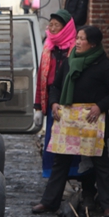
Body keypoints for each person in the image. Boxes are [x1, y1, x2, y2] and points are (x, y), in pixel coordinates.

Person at [32, 26, 109, 217]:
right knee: (61, 162)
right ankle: (49, 202)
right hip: (68, 121)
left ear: (92, 44)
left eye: (82, 39)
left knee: (100, 162)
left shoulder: (104, 66)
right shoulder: (69, 62)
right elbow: (56, 87)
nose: (77, 42)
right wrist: (55, 103)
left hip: (92, 122)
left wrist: (100, 106)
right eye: (77, 38)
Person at [35, 10, 77, 178]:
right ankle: (51, 175)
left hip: (72, 101)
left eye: (56, 25)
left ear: (66, 27)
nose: (52, 28)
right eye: (50, 24)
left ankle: (72, 174)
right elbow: (41, 77)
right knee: (52, 140)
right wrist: (38, 106)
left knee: (71, 140)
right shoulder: (48, 47)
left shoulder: (75, 49)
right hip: (53, 99)